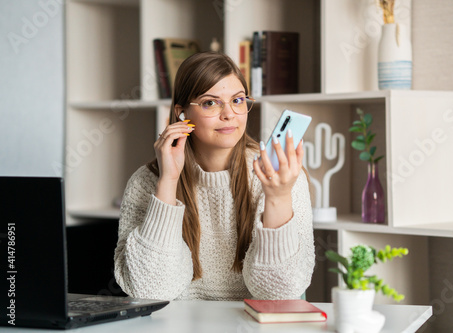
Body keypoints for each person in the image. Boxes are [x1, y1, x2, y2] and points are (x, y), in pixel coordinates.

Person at [114, 51, 315, 301]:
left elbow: (278, 293)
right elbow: (149, 290)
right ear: (182, 114)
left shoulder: (279, 177)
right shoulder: (146, 182)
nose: (229, 114)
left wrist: (278, 197)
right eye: (211, 102)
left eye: (238, 100)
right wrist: (168, 181)